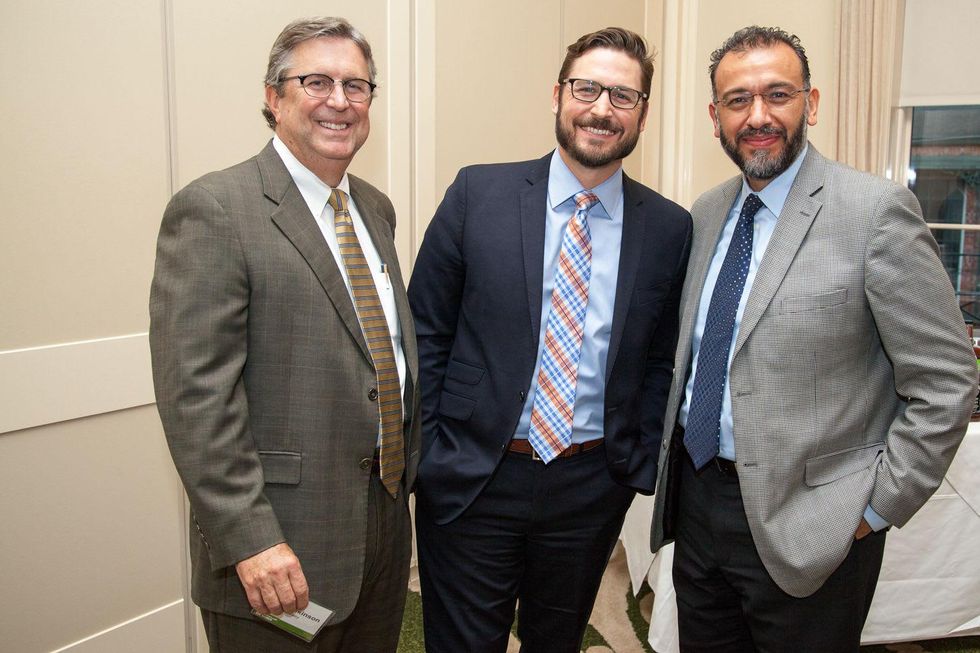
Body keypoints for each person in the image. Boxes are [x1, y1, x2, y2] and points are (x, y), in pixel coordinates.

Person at [649, 25, 978, 652]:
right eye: (738, 100)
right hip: (698, 506)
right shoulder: (706, 211)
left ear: (813, 102)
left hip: (815, 522)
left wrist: (872, 510)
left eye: (778, 94)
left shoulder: (874, 211)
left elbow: (946, 380)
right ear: (714, 116)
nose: (759, 116)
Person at [408, 26, 692, 653]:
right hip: (474, 474)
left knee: (556, 641)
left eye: (623, 95)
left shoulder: (669, 228)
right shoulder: (477, 194)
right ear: (558, 95)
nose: (601, 108)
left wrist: (631, 465)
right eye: (586, 88)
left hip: (590, 485)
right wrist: (429, 451)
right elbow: (425, 328)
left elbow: (658, 360)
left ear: (642, 112)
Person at [149, 16, 418, 653]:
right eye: (316, 81)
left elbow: (380, 358)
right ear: (274, 97)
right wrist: (251, 540)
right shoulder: (216, 208)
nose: (339, 101)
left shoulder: (374, 209)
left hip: (378, 535)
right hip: (277, 549)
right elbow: (196, 398)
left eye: (357, 86)